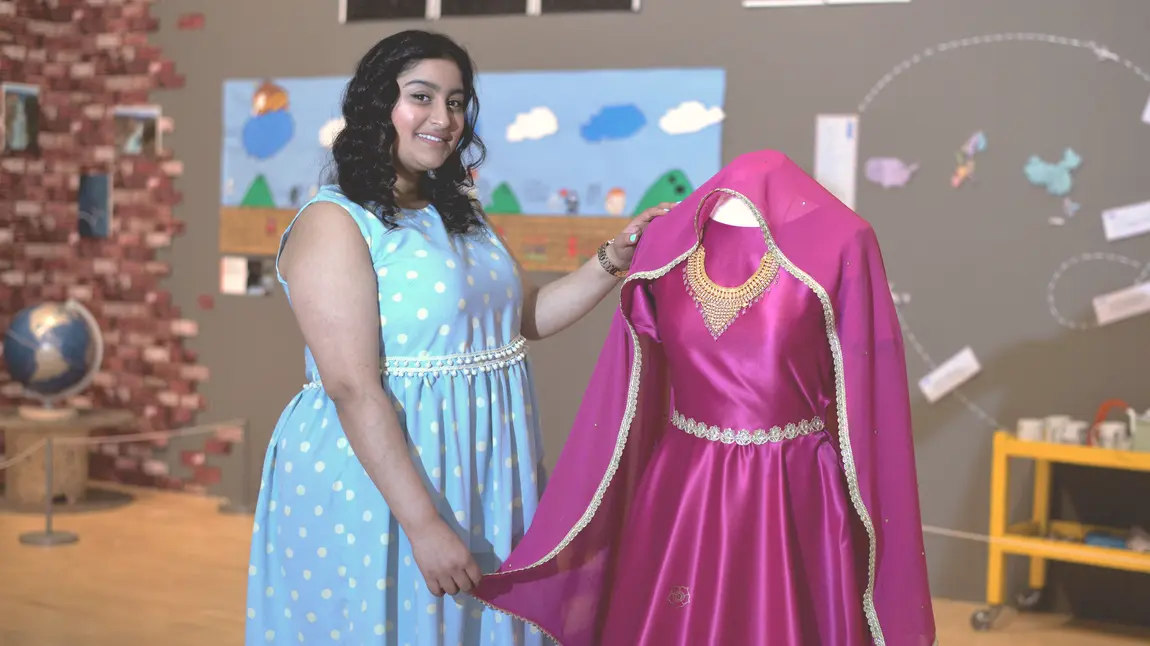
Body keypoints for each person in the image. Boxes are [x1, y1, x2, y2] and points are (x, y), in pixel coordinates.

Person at [243, 30, 669, 646]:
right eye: (421, 96)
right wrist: (422, 525)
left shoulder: (457, 211)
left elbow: (519, 321)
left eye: (456, 101)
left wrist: (614, 258)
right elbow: (351, 387)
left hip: (480, 465)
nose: (442, 118)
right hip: (382, 482)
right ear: (375, 106)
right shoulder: (335, 222)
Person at [473, 150, 938, 646]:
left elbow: (870, 391)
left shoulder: (844, 241)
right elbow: (631, 372)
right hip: (684, 486)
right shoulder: (668, 245)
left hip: (793, 486)